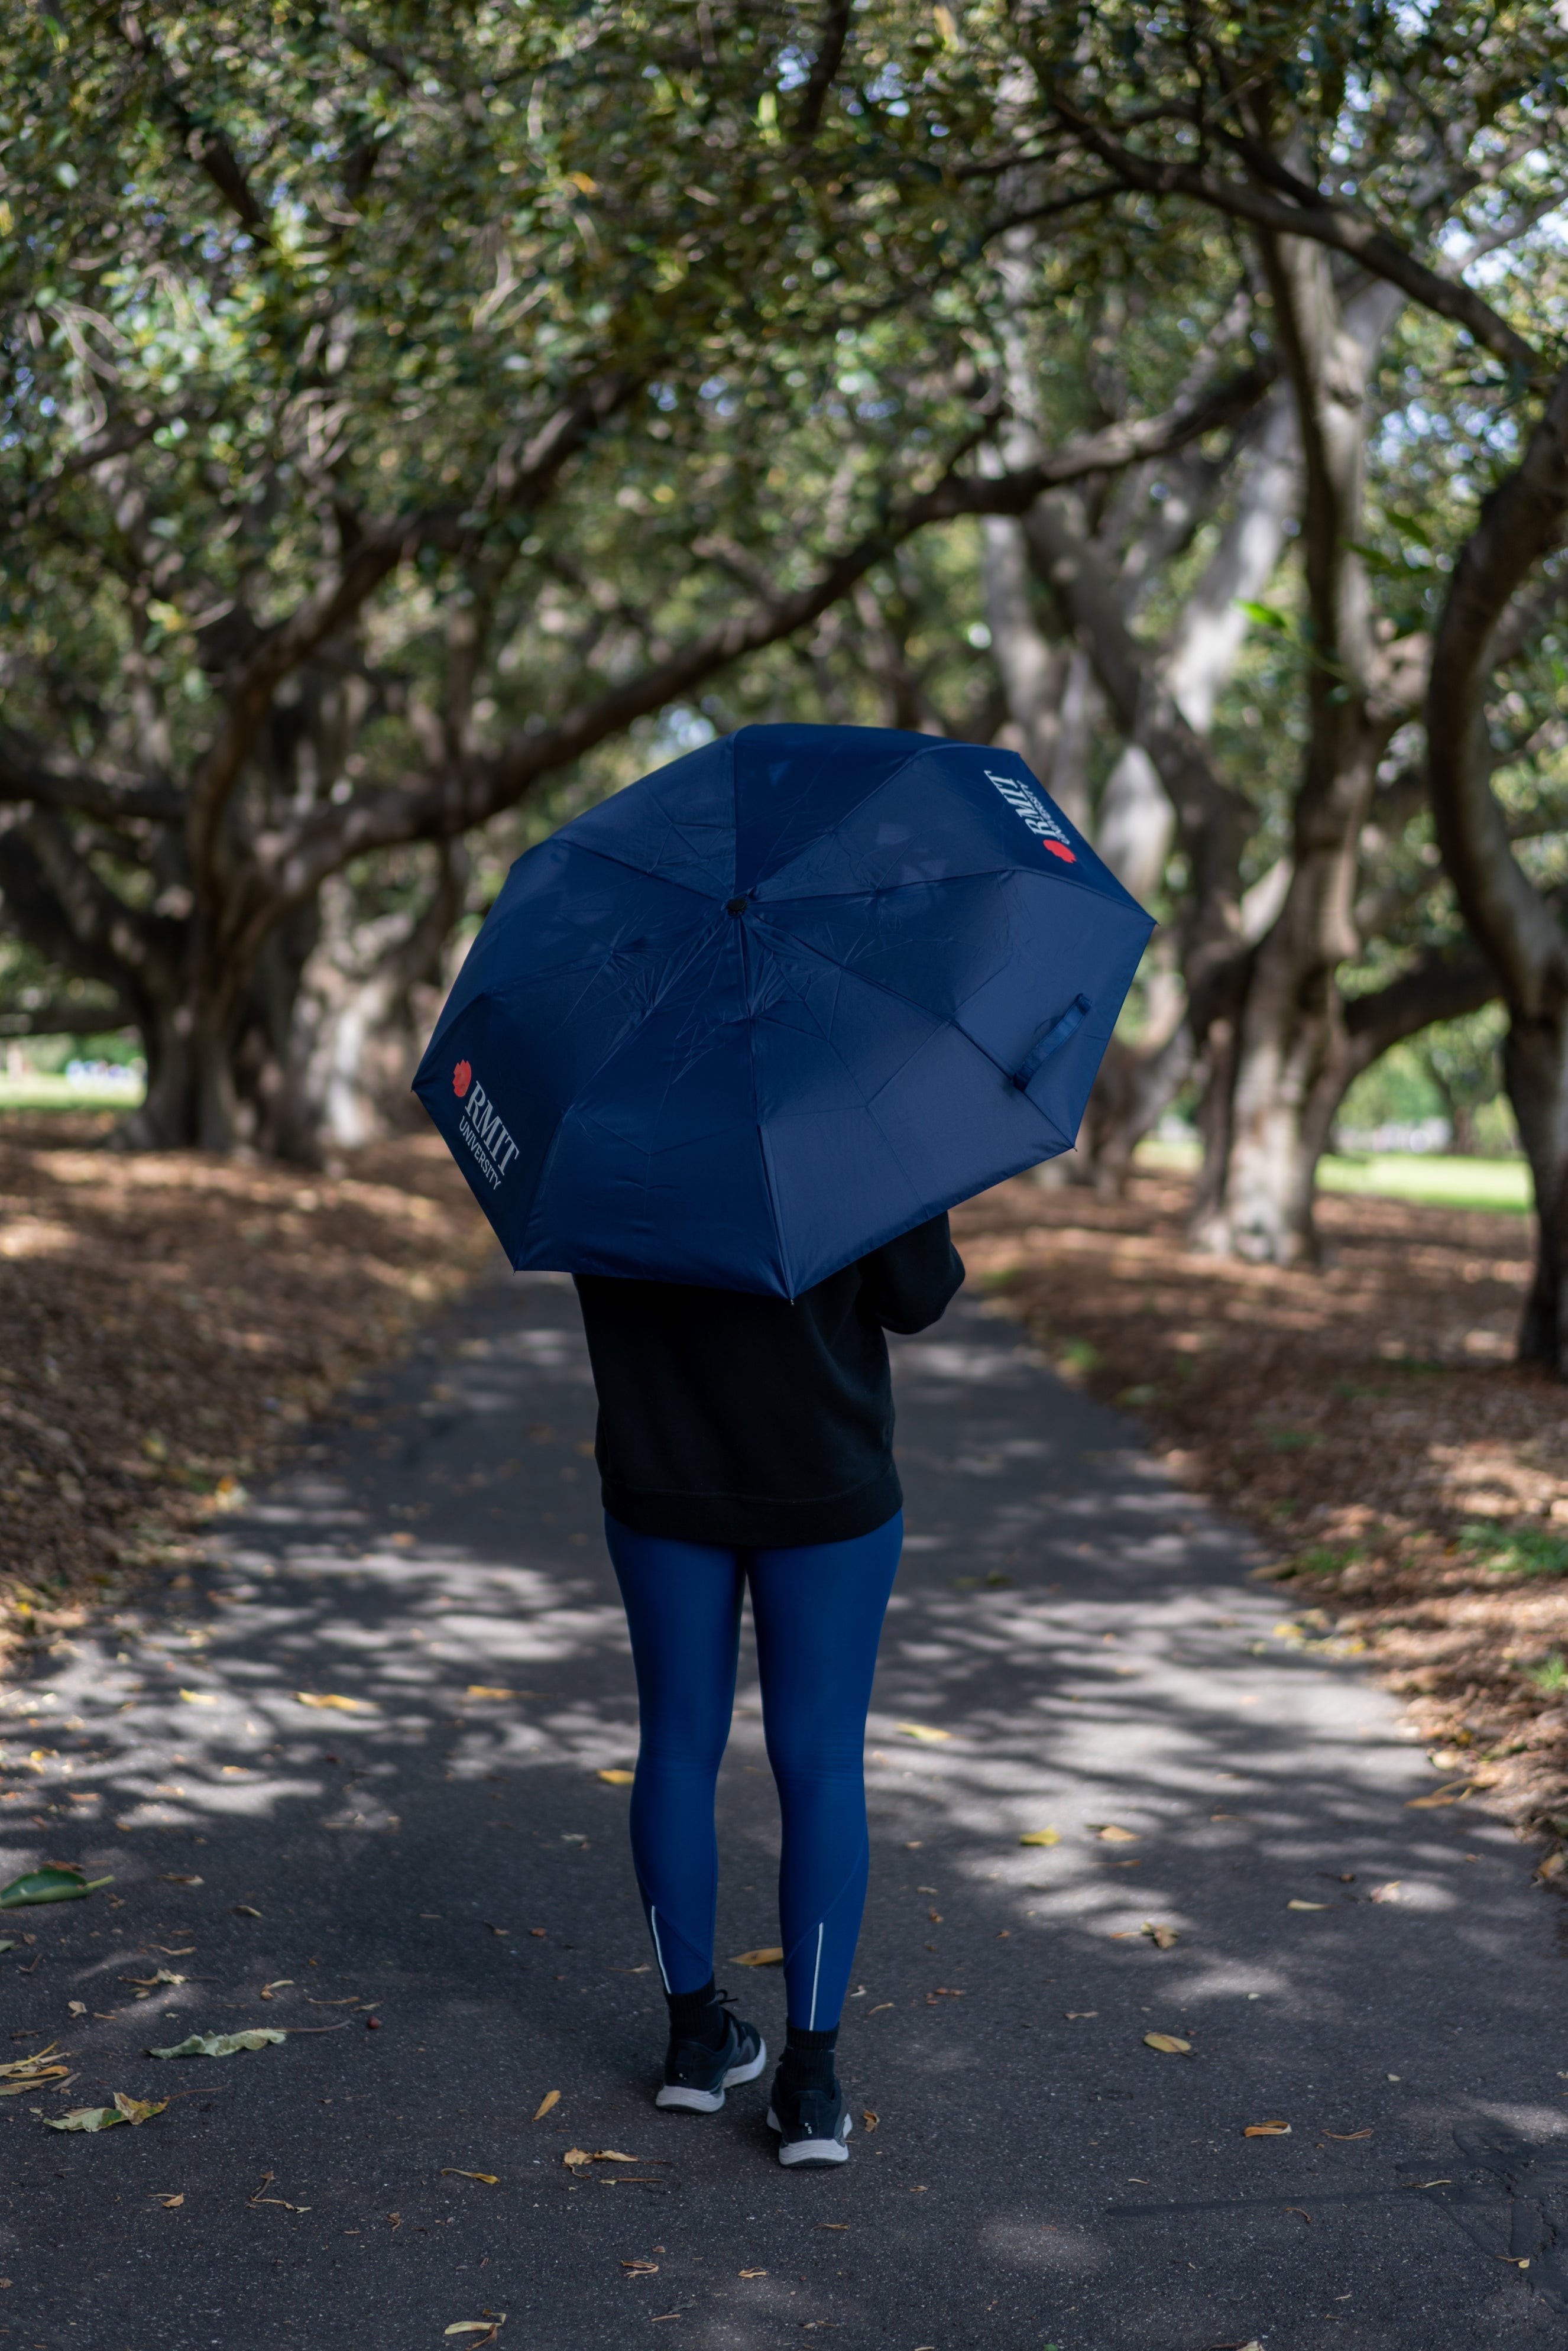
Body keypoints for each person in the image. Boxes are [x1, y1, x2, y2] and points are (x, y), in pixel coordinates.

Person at [573, 1214, 964, 2168]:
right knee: (822, 1761)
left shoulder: (605, 1104)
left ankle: (695, 2041)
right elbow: (918, 1297)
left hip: (663, 1474)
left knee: (675, 1743)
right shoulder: (845, 1104)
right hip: (825, 1475)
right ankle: (811, 2084)